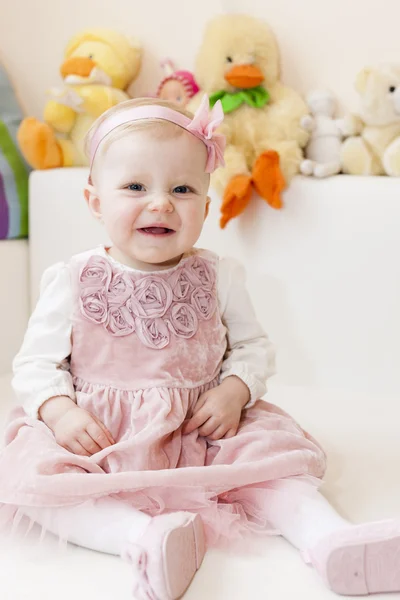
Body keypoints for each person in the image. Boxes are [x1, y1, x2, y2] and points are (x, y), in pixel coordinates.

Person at [1, 95, 399, 600]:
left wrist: (234, 391)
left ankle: (331, 540)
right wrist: (58, 412)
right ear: (96, 202)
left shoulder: (217, 275)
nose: (161, 202)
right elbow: (36, 363)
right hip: (104, 434)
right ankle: (143, 539)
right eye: (135, 187)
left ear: (205, 208)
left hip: (201, 430)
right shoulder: (74, 279)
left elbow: (253, 346)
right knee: (43, 489)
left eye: (182, 188)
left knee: (271, 468)